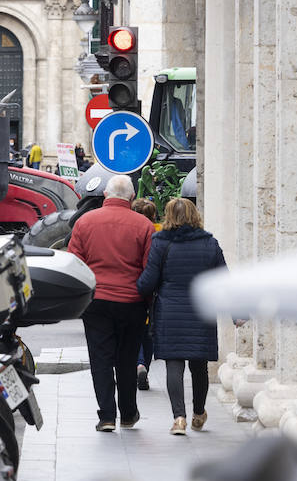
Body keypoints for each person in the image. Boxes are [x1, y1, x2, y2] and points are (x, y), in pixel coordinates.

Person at [67, 174, 155, 431]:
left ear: (105, 195)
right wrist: (146, 300)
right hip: (132, 302)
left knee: (100, 359)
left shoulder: (85, 223)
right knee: (127, 360)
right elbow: (149, 269)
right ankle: (128, 414)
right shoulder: (144, 226)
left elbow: (75, 263)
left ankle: (106, 416)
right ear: (132, 197)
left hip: (96, 301)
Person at [135, 198, 226, 435]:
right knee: (199, 366)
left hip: (170, 312)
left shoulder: (160, 242)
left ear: (168, 216)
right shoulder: (210, 243)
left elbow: (148, 281)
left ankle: (179, 418)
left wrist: (136, 287)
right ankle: (198, 412)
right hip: (201, 310)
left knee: (173, 365)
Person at [130, 198, 159, 391]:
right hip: (153, 291)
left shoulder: (130, 230)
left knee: (133, 332)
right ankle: (144, 367)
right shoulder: (160, 232)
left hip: (132, 287)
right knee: (148, 334)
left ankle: (138, 364)